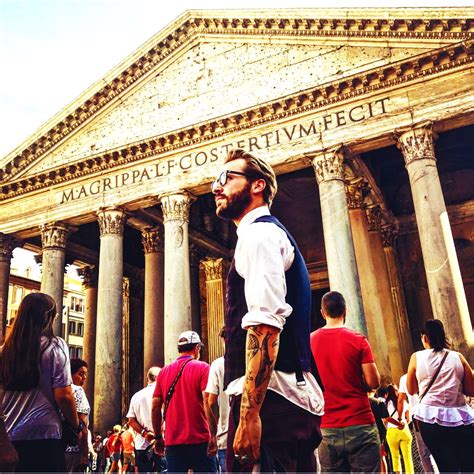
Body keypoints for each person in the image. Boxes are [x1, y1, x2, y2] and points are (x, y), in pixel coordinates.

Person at [212, 148, 324, 472]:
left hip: (272, 403)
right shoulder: (265, 233)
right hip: (287, 400)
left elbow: (265, 327)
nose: (216, 187)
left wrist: (248, 415)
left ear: (257, 185)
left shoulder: (259, 234)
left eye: (226, 178)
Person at [0, 292, 81, 472]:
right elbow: (64, 395)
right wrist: (76, 426)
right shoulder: (54, 346)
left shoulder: (4, 352)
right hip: (45, 435)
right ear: (47, 318)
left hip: (11, 435)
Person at [310, 291, 381, 472]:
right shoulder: (358, 340)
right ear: (345, 311)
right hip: (360, 422)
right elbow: (373, 382)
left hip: (326, 425)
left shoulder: (310, 341)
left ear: (322, 313)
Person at [407, 319, 474, 472]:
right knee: (467, 465)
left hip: (430, 419)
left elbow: (411, 390)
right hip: (459, 417)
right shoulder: (458, 357)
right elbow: (471, 390)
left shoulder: (416, 357)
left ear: (425, 338)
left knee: (445, 466)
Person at [151, 331, 217, 472]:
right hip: (200, 439)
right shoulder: (203, 367)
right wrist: (213, 434)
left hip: (173, 441)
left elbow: (155, 407)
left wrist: (158, 437)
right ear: (196, 348)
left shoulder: (163, 372)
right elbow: (208, 402)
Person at [127, 366, 167, 473]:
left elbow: (131, 421)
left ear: (147, 378)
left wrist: (145, 434)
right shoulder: (165, 394)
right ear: (160, 378)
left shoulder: (136, 396)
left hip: (142, 445)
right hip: (163, 443)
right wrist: (158, 435)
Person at [397, 373, 437, 473]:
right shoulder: (430, 370)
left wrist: (400, 418)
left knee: (424, 454)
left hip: (418, 418)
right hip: (435, 414)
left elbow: (400, 400)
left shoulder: (404, 378)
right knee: (441, 449)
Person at [205, 327, 229, 472]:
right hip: (255, 435)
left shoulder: (218, 365)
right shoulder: (254, 361)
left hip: (225, 436)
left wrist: (213, 432)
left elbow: (211, 401)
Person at [65, 358, 90, 473]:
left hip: (59, 447)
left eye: (85, 374)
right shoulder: (77, 390)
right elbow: (82, 425)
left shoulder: (58, 390)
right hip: (75, 449)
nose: (84, 377)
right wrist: (85, 454)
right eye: (81, 374)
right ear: (70, 374)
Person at [383, 384, 414, 474]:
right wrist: (403, 424)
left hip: (391, 432)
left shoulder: (385, 404)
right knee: (408, 457)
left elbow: (385, 420)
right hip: (404, 430)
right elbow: (409, 419)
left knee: (395, 456)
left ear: (387, 393)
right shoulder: (403, 402)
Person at [368, 389, 389, 474]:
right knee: (381, 456)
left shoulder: (357, 403)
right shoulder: (378, 402)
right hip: (378, 432)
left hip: (364, 432)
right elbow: (386, 418)